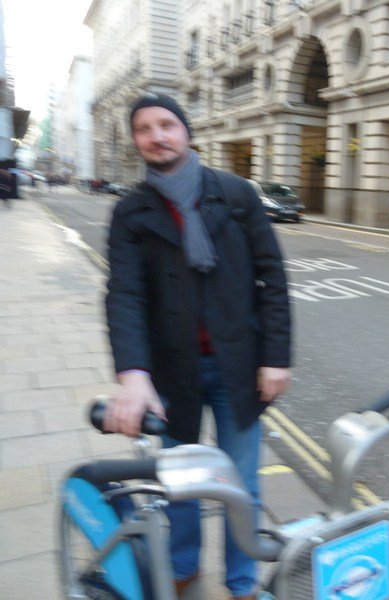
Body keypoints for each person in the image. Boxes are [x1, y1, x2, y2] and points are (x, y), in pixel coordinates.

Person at [104, 92, 291, 600]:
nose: (157, 136)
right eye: (144, 129)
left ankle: (241, 581)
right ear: (136, 140)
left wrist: (276, 358)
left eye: (166, 124)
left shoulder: (236, 194)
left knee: (241, 483)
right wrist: (133, 375)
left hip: (239, 366)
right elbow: (124, 294)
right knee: (179, 481)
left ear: (186, 131)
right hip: (172, 371)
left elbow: (273, 279)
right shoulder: (131, 212)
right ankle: (183, 566)